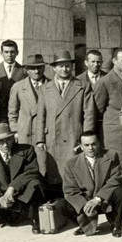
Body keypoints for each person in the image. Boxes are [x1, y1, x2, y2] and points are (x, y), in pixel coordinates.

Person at [34, 52, 97, 186]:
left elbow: (89, 114)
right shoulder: (45, 88)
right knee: (53, 174)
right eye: (61, 66)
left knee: (73, 174)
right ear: (54, 68)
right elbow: (40, 116)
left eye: (67, 66)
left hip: (74, 136)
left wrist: (86, 139)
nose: (64, 69)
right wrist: (40, 139)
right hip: (52, 138)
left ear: (72, 67)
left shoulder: (82, 86)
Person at [57, 130, 122, 237]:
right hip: (86, 199)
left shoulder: (111, 155)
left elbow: (116, 179)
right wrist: (84, 206)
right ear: (81, 147)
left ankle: (117, 225)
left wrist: (98, 199)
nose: (90, 148)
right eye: (86, 145)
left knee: (121, 193)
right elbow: (70, 190)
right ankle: (84, 224)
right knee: (61, 205)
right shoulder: (71, 163)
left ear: (99, 143)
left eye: (93, 144)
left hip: (106, 198)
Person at [0, 122, 46, 233]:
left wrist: (12, 188)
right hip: (3, 195)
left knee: (35, 185)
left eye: (8, 140)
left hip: (23, 192)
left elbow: (32, 171)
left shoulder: (26, 150)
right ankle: (10, 216)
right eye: (1, 141)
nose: (5, 145)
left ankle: (35, 219)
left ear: (13, 139)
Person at [92, 48, 122, 165]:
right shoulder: (104, 81)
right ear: (114, 61)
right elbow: (98, 110)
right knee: (117, 162)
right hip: (114, 131)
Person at [7, 52, 48, 146]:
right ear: (27, 70)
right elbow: (12, 112)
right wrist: (15, 131)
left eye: (39, 67)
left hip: (45, 134)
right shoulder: (18, 87)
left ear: (44, 68)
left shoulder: (51, 85)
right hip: (25, 134)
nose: (36, 71)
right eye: (33, 68)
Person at [0, 39, 27, 104]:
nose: (9, 55)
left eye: (12, 52)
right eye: (6, 52)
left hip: (18, 107)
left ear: (17, 53)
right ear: (1, 53)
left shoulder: (25, 71)